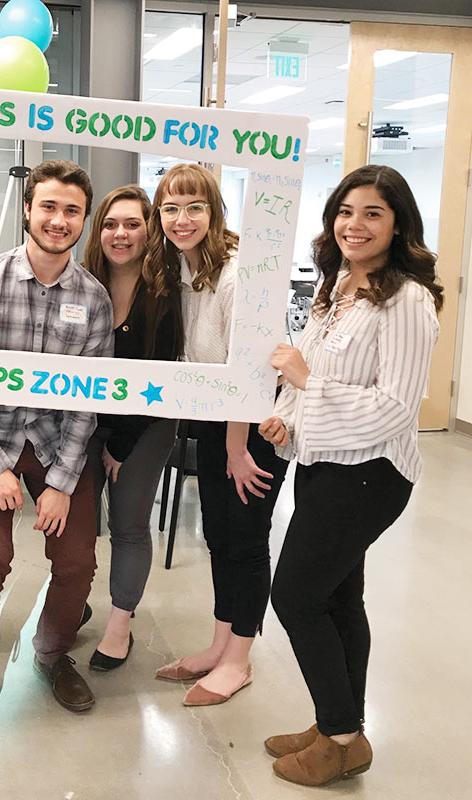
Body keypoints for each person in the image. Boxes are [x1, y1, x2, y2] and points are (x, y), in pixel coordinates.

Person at [259, 164, 441, 786]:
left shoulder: (408, 300)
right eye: (345, 211)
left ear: (398, 226)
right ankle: (341, 723)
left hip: (371, 473)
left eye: (372, 214)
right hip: (323, 463)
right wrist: (287, 416)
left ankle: (341, 737)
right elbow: (302, 370)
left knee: (296, 595)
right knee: (337, 597)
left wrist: (308, 385)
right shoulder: (335, 287)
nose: (354, 225)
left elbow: (394, 406)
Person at [0, 159, 114, 733]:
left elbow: (89, 401)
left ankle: (50, 652)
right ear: (27, 209)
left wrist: (63, 483)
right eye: (49, 206)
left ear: (83, 220)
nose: (58, 220)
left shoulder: (93, 300)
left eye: (71, 211)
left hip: (57, 443)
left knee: (77, 564)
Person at [147, 163, 288, 704]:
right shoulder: (182, 267)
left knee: (247, 541)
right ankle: (220, 643)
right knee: (219, 536)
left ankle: (239, 659)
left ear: (214, 210)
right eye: (170, 208)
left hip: (253, 425)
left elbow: (252, 368)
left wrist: (235, 447)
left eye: (194, 207)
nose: (181, 220)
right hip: (215, 419)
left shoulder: (241, 271)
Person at [82, 185, 182, 670]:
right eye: (110, 224)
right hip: (86, 422)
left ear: (150, 230)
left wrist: (118, 448)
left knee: (127, 523)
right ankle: (73, 599)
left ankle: (120, 625)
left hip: (145, 426)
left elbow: (157, 379)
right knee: (78, 521)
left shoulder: (165, 294)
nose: (120, 234)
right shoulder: (82, 285)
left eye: (132, 224)